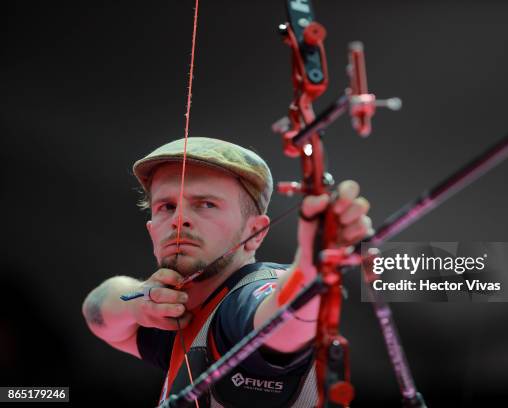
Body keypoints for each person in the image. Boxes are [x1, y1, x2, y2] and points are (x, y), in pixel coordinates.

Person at [82, 137, 372, 407]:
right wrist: (136, 304)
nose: (179, 220)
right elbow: (97, 313)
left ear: (256, 232)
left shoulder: (245, 299)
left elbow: (282, 321)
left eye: (206, 204)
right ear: (151, 232)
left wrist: (309, 270)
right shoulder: (180, 317)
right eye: (167, 207)